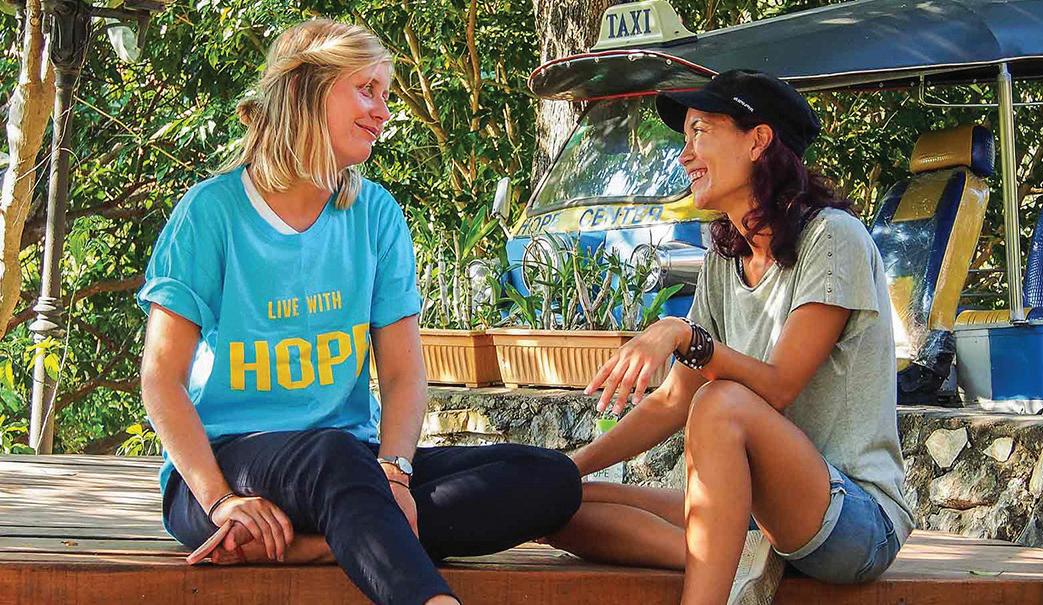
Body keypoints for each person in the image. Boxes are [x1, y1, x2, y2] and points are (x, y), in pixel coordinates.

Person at [137, 19, 581, 605]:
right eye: (366, 89)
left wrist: (395, 473)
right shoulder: (210, 213)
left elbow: (402, 373)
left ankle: (327, 541)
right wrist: (220, 500)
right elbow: (160, 379)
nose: (383, 112)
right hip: (227, 471)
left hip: (354, 467)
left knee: (550, 476)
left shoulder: (376, 215)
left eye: (386, 95)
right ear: (306, 90)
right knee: (335, 456)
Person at [546, 70, 914, 604]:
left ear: (758, 141)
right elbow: (674, 399)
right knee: (561, 506)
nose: (684, 155)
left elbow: (779, 386)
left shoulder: (834, 238)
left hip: (853, 520)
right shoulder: (726, 258)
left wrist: (681, 333)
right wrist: (566, 467)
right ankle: (734, 556)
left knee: (721, 402)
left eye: (700, 131)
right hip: (760, 518)